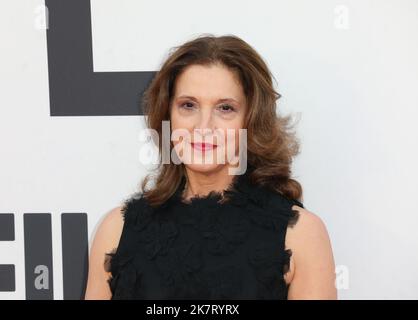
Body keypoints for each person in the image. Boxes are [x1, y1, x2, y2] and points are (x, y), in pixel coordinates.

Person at [84, 34, 337, 300]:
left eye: (225, 108)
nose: (203, 127)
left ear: (250, 121)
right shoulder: (116, 230)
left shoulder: (300, 235)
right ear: (167, 115)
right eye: (188, 105)